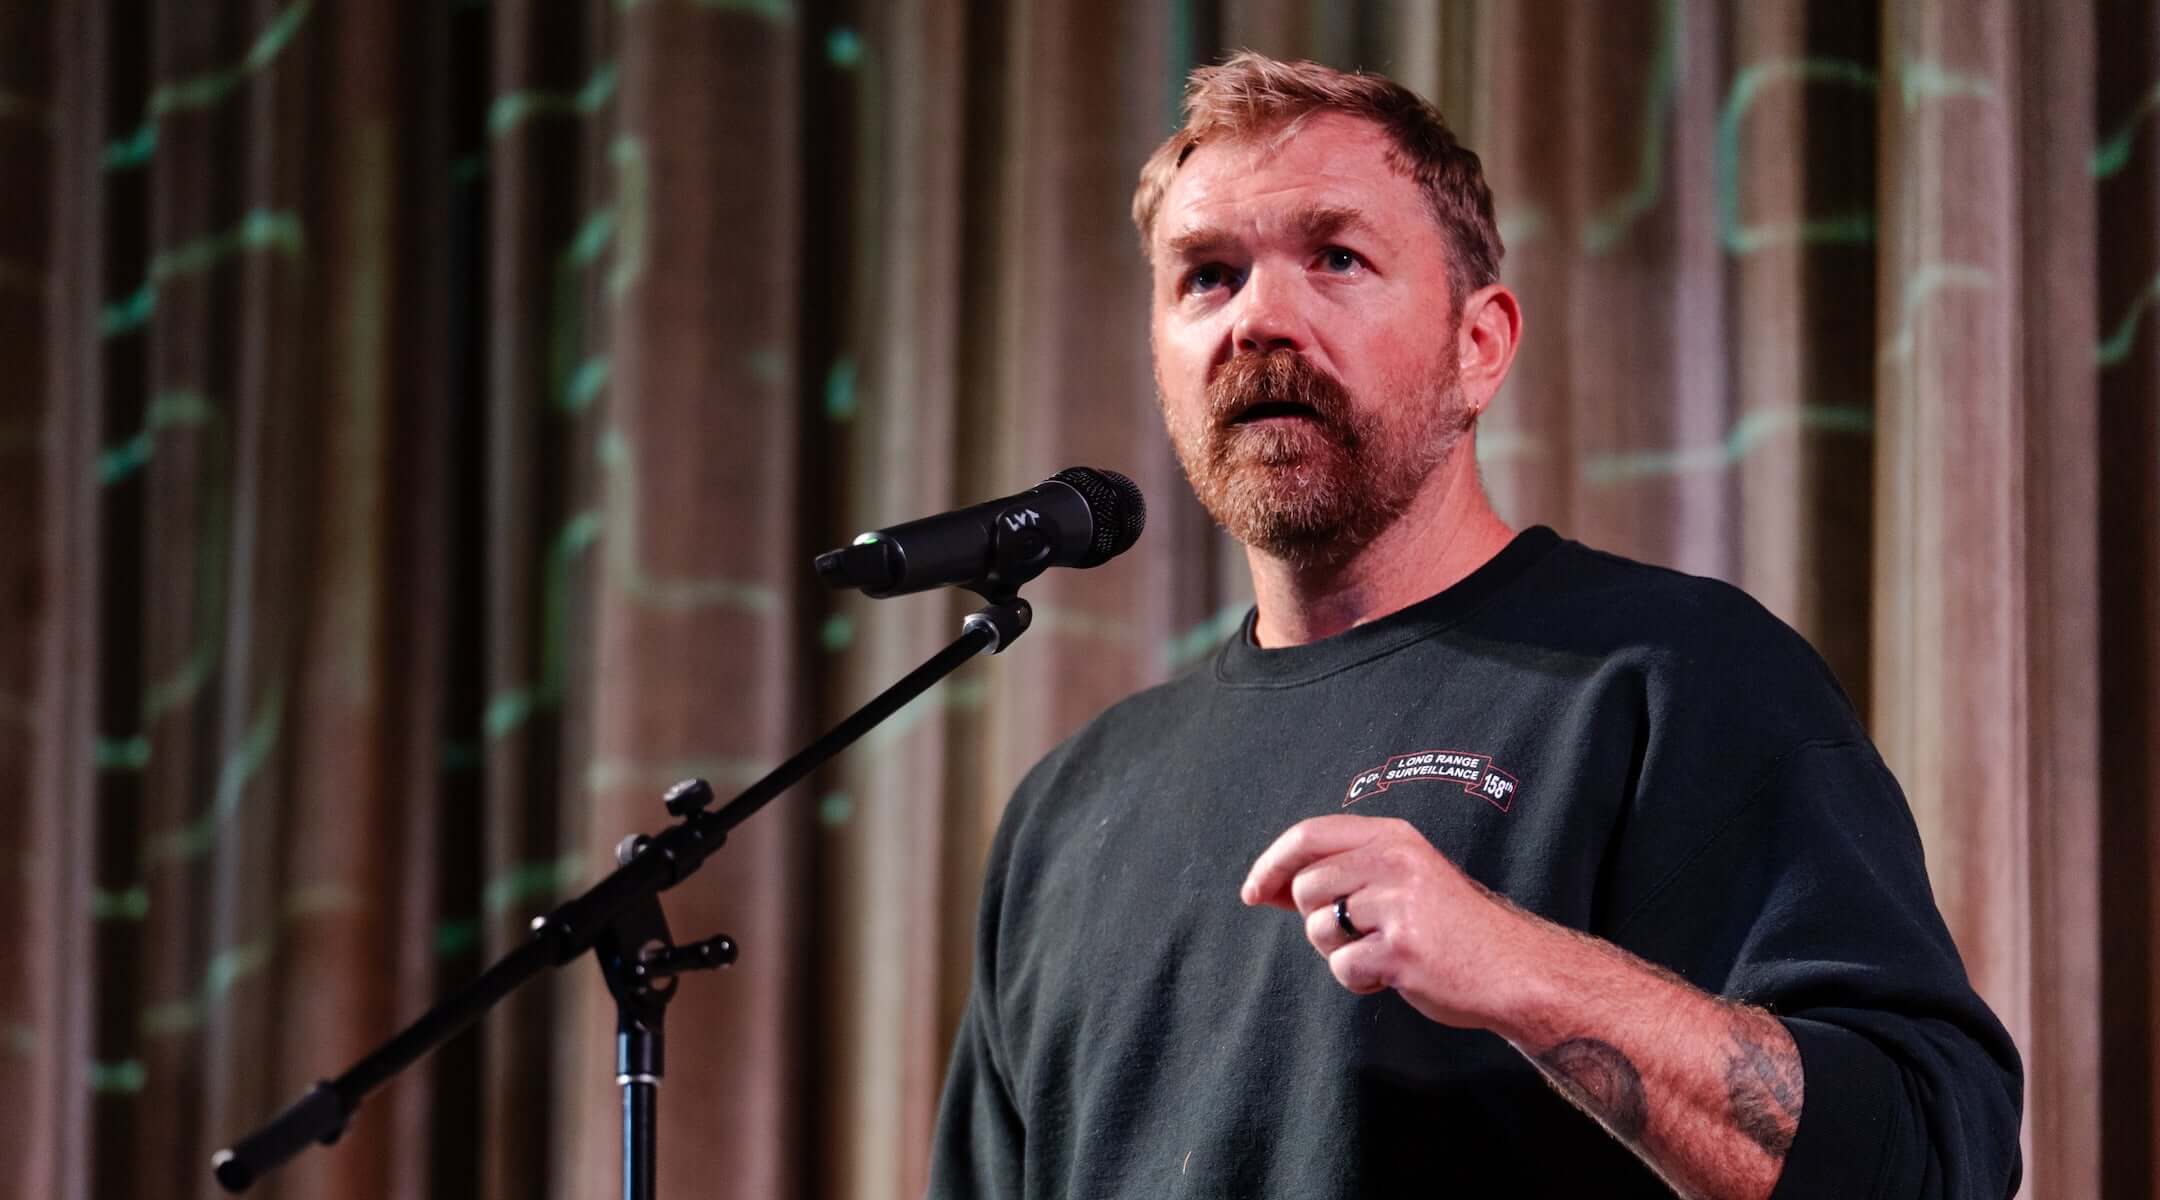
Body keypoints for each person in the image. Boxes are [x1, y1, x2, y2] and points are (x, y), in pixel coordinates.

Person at [926, 51, 2021, 1199]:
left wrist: (1524, 972)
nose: (1259, 320)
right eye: (1207, 276)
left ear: (1480, 346)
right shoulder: (1072, 809)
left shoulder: (1674, 679)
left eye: (1336, 257)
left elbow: (1937, 1150)